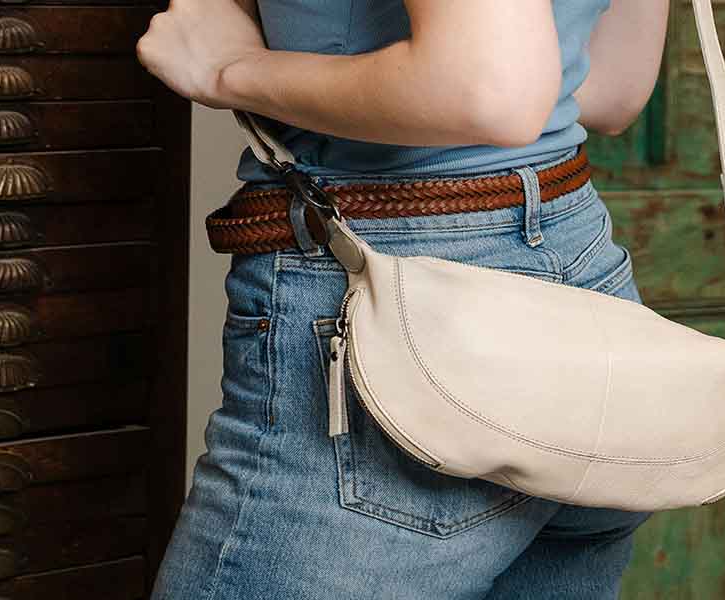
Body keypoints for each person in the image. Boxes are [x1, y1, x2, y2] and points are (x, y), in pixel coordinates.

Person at [137, 1, 669, 598]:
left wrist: (228, 68)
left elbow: (489, 89)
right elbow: (613, 85)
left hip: (400, 306)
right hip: (579, 283)